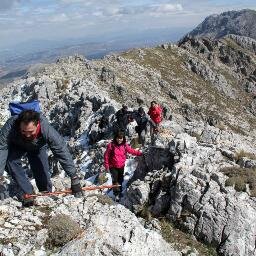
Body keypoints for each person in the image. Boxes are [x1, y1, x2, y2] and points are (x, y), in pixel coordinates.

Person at [0, 110, 83, 206]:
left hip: (37, 146)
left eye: (30, 131)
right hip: (17, 145)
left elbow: (61, 150)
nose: (27, 135)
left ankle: (45, 193)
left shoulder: (46, 128)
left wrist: (74, 177)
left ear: (37, 125)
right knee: (10, 162)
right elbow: (1, 148)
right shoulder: (10, 126)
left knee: (40, 167)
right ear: (19, 125)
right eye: (23, 131)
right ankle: (28, 193)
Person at [104, 130, 142, 201]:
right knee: (115, 180)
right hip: (113, 166)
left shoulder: (124, 145)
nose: (119, 140)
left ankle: (120, 191)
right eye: (118, 138)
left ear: (123, 138)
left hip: (121, 166)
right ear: (115, 138)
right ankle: (116, 194)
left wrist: (139, 153)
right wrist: (107, 166)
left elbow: (131, 151)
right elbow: (106, 156)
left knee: (120, 179)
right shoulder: (111, 145)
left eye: (121, 138)